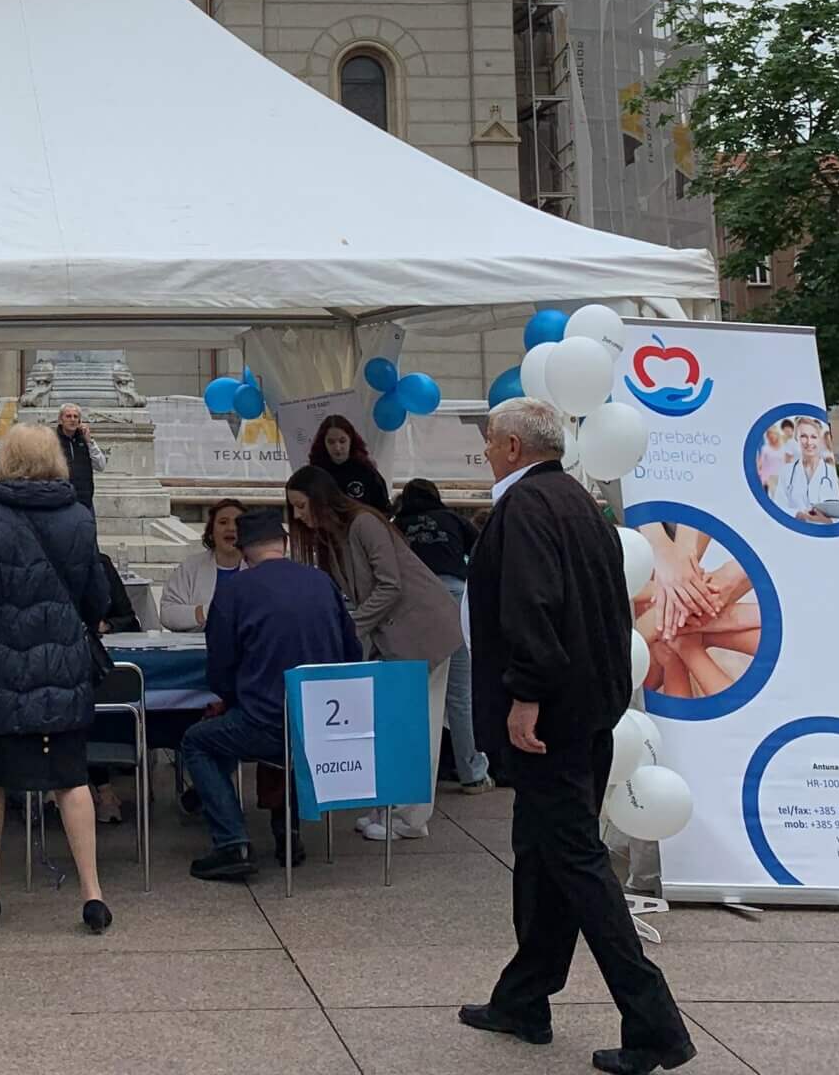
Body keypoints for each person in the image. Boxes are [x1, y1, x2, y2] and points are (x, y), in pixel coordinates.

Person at [463, 398, 693, 1075]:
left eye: (487, 443)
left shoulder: (528, 508)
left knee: (577, 863)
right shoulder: (576, 502)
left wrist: (525, 696)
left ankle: (655, 1026)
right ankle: (524, 998)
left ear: (509, 445)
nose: (483, 453)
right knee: (544, 856)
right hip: (589, 710)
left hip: (553, 717)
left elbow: (533, 604)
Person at [0, 421, 115, 932]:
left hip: (3, 672)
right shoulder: (80, 516)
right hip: (63, 667)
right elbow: (98, 597)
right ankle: (93, 893)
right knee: (71, 779)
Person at [178, 506, 361, 882]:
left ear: (244, 552)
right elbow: (351, 653)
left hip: (264, 720)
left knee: (197, 743)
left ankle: (232, 843)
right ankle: (288, 831)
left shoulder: (234, 591)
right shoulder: (321, 582)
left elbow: (221, 669)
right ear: (286, 543)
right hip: (324, 720)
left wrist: (231, 699)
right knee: (288, 739)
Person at [285, 465, 462, 842]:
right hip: (398, 637)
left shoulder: (365, 524)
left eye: (300, 506)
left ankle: (411, 819)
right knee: (396, 726)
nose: (298, 516)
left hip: (422, 632)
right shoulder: (336, 537)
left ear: (319, 500)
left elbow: (389, 587)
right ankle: (391, 807)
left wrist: (350, 629)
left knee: (420, 728)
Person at [394, 478, 494, 795]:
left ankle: (414, 773)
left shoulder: (398, 525)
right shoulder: (453, 519)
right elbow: (482, 550)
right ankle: (473, 773)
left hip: (416, 601)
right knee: (460, 693)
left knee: (416, 691)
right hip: (455, 594)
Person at [160, 498, 246, 633]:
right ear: (211, 532)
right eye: (223, 522)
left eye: (238, 523)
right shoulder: (190, 567)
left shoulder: (259, 568)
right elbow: (167, 614)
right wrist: (204, 612)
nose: (231, 528)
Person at [308, 415, 392, 510]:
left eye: (342, 441)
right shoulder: (316, 473)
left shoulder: (366, 470)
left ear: (351, 440)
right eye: (331, 442)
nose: (337, 447)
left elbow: (383, 508)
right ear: (323, 443)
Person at [55, 402, 98, 510]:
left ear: (80, 421)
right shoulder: (53, 441)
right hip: (61, 501)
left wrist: (90, 442)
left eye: (76, 416)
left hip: (85, 502)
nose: (72, 419)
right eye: (68, 416)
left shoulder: (86, 440)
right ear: (61, 420)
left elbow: (100, 465)